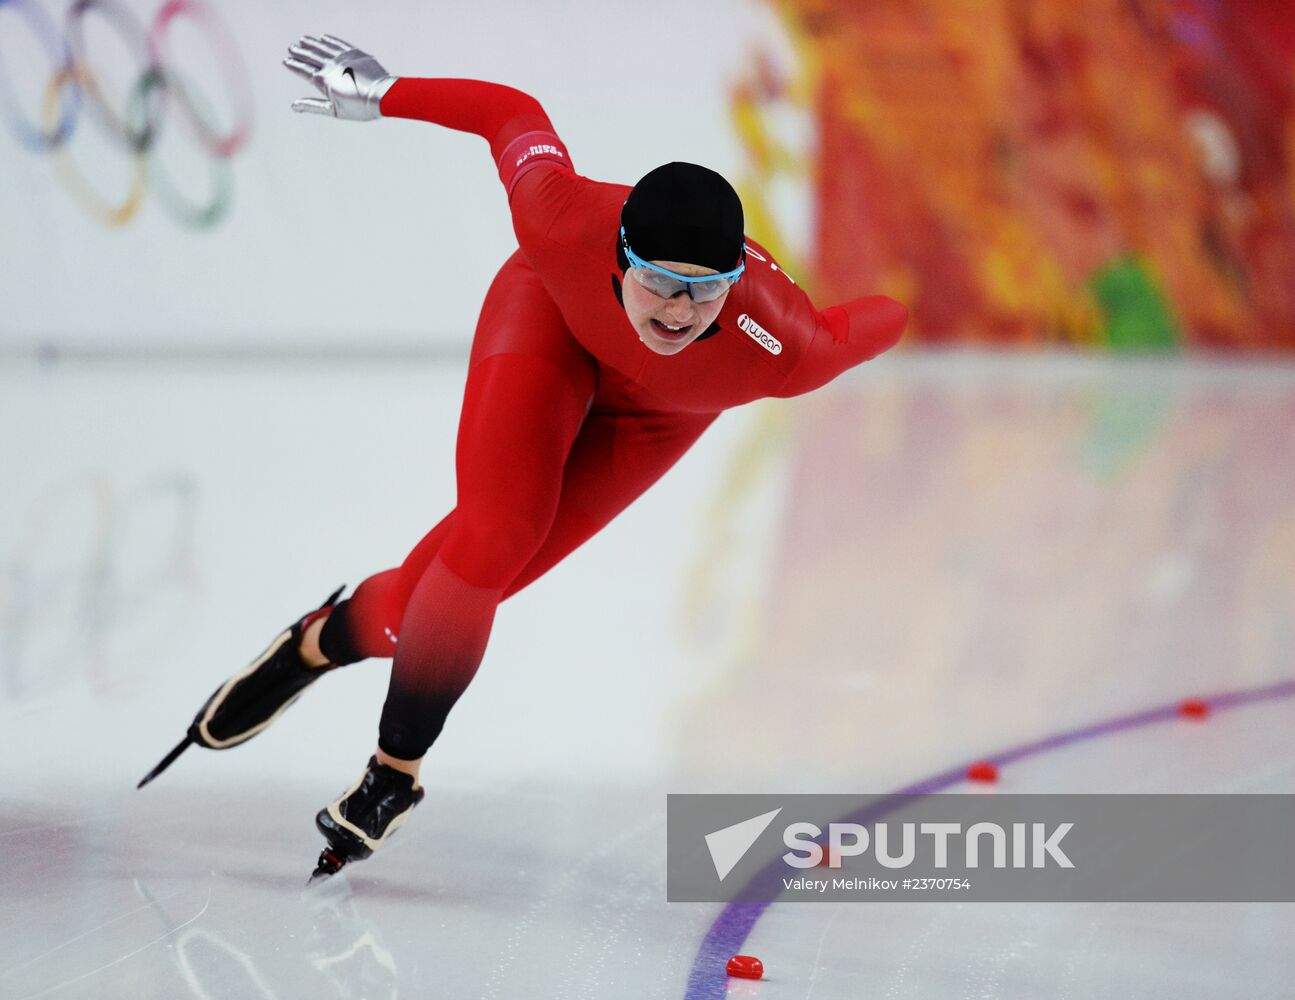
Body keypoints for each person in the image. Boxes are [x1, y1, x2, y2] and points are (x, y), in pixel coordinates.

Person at [139, 34, 909, 879]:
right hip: (550, 323)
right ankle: (394, 779)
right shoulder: (562, 217)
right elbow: (511, 114)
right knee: (496, 534)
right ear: (620, 258)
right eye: (657, 279)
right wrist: (386, 91)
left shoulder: (780, 344)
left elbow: (872, 322)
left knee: (441, 599)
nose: (679, 309)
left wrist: (905, 294)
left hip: (657, 415)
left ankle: (320, 641)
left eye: (704, 289)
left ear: (733, 284)